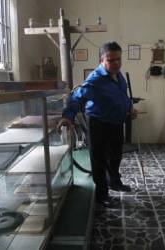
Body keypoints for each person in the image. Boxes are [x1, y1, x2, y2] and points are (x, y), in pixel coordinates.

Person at [57, 41, 136, 207]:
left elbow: (122, 95)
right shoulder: (95, 79)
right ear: (102, 60)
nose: (116, 63)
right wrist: (68, 116)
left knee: (115, 156)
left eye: (118, 59)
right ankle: (102, 194)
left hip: (116, 122)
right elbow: (77, 98)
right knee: (99, 160)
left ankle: (114, 181)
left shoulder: (118, 75)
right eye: (111, 60)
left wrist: (129, 108)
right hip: (99, 124)